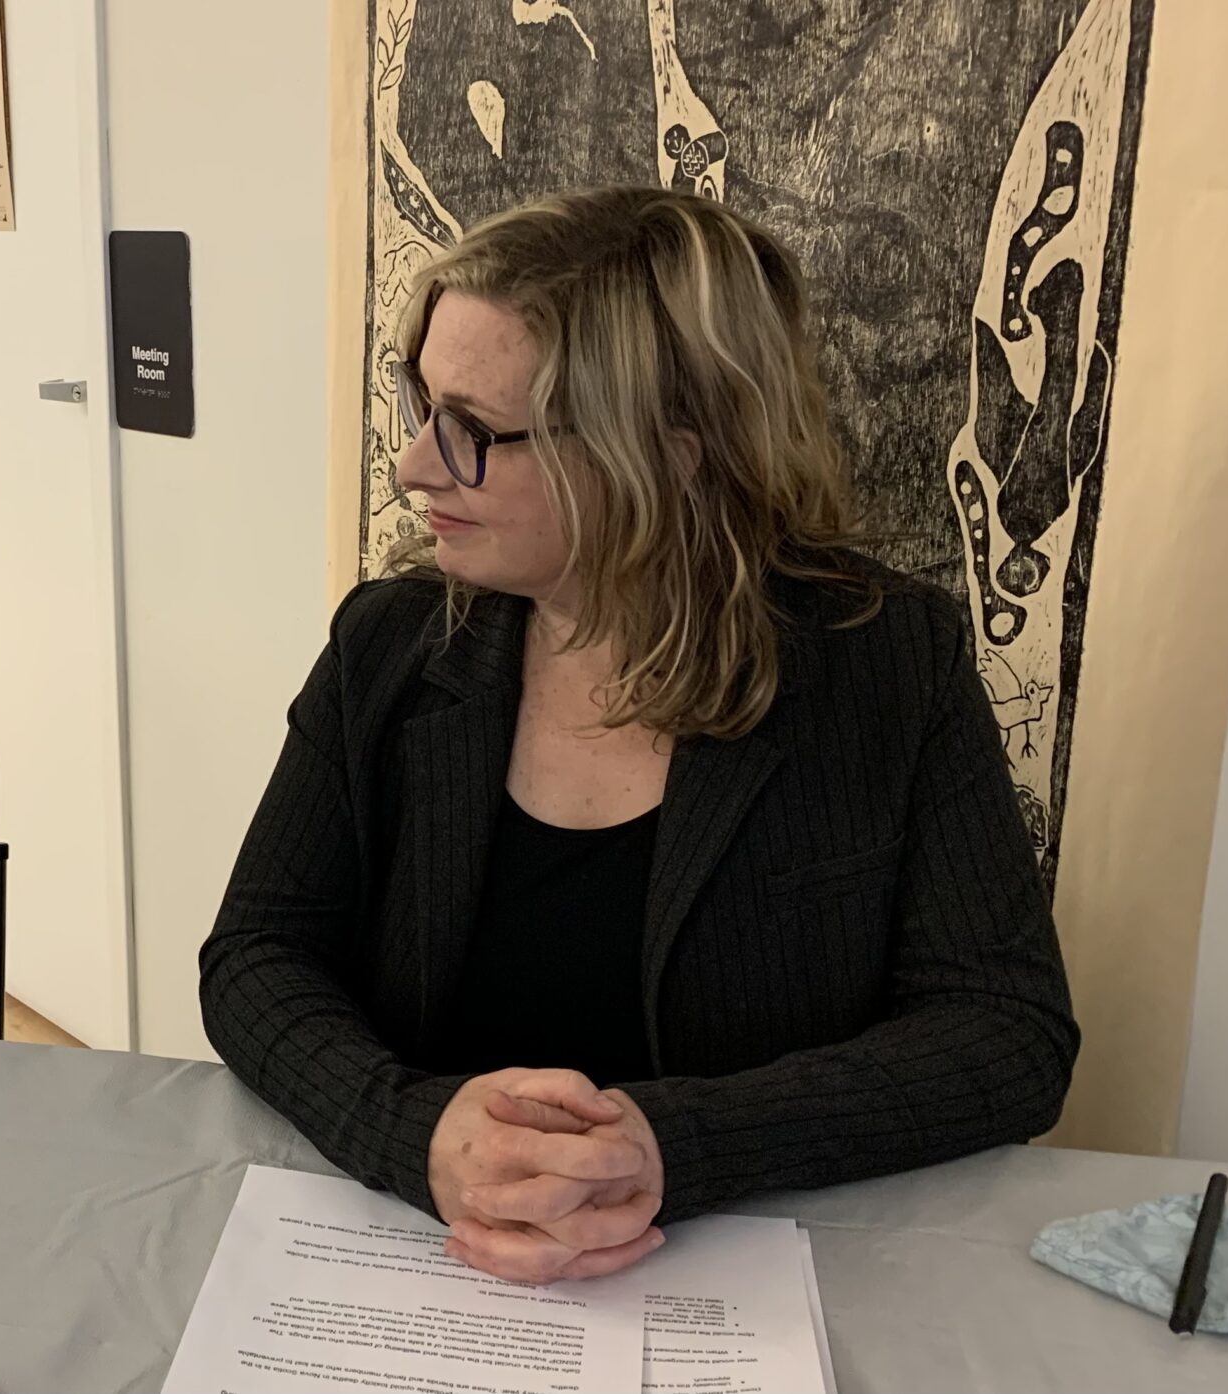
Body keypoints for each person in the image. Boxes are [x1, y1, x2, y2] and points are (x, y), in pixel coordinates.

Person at [200, 187, 1079, 1284]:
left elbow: (1006, 1033)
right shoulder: (387, 646)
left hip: (740, 1280)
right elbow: (256, 955)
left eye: (472, 428)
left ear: (665, 455)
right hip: (428, 1264)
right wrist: (413, 1128)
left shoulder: (886, 663)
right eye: (420, 404)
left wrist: (676, 1141)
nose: (414, 464)